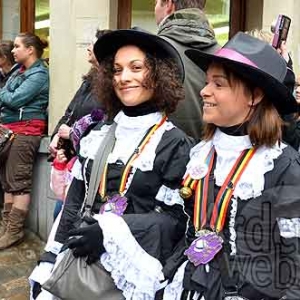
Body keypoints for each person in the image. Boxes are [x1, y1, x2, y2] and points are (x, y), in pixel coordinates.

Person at [29, 29, 194, 299]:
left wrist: (111, 232)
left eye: (136, 68)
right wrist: (49, 258)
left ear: (158, 75)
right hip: (79, 266)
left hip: (131, 274)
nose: (123, 78)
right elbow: (74, 204)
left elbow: (176, 222)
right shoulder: (99, 134)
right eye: (116, 70)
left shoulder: (174, 143)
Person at [162, 32, 300, 300]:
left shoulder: (281, 167)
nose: (204, 91)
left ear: (255, 95)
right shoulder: (199, 155)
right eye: (206, 82)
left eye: (219, 84)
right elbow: (184, 228)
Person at [48, 29, 110, 219]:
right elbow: (70, 112)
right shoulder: (90, 80)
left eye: (93, 43)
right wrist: (57, 136)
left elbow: (103, 121)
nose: (88, 48)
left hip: (93, 162)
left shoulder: (110, 84)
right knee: (60, 213)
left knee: (64, 213)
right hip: (73, 158)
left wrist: (73, 132)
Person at [0, 32, 49, 249]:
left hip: (27, 132)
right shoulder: (20, 72)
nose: (13, 50)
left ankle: (14, 231)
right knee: (8, 182)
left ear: (30, 50)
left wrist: (6, 96)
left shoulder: (39, 74)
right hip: (11, 130)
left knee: (18, 183)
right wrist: (6, 95)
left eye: (17, 46)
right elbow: (7, 94)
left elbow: (14, 98)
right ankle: (6, 227)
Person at [155, 0, 219, 140]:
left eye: (156, 2)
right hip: (214, 157)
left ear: (169, 5)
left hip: (162, 155)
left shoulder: (154, 52)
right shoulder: (224, 53)